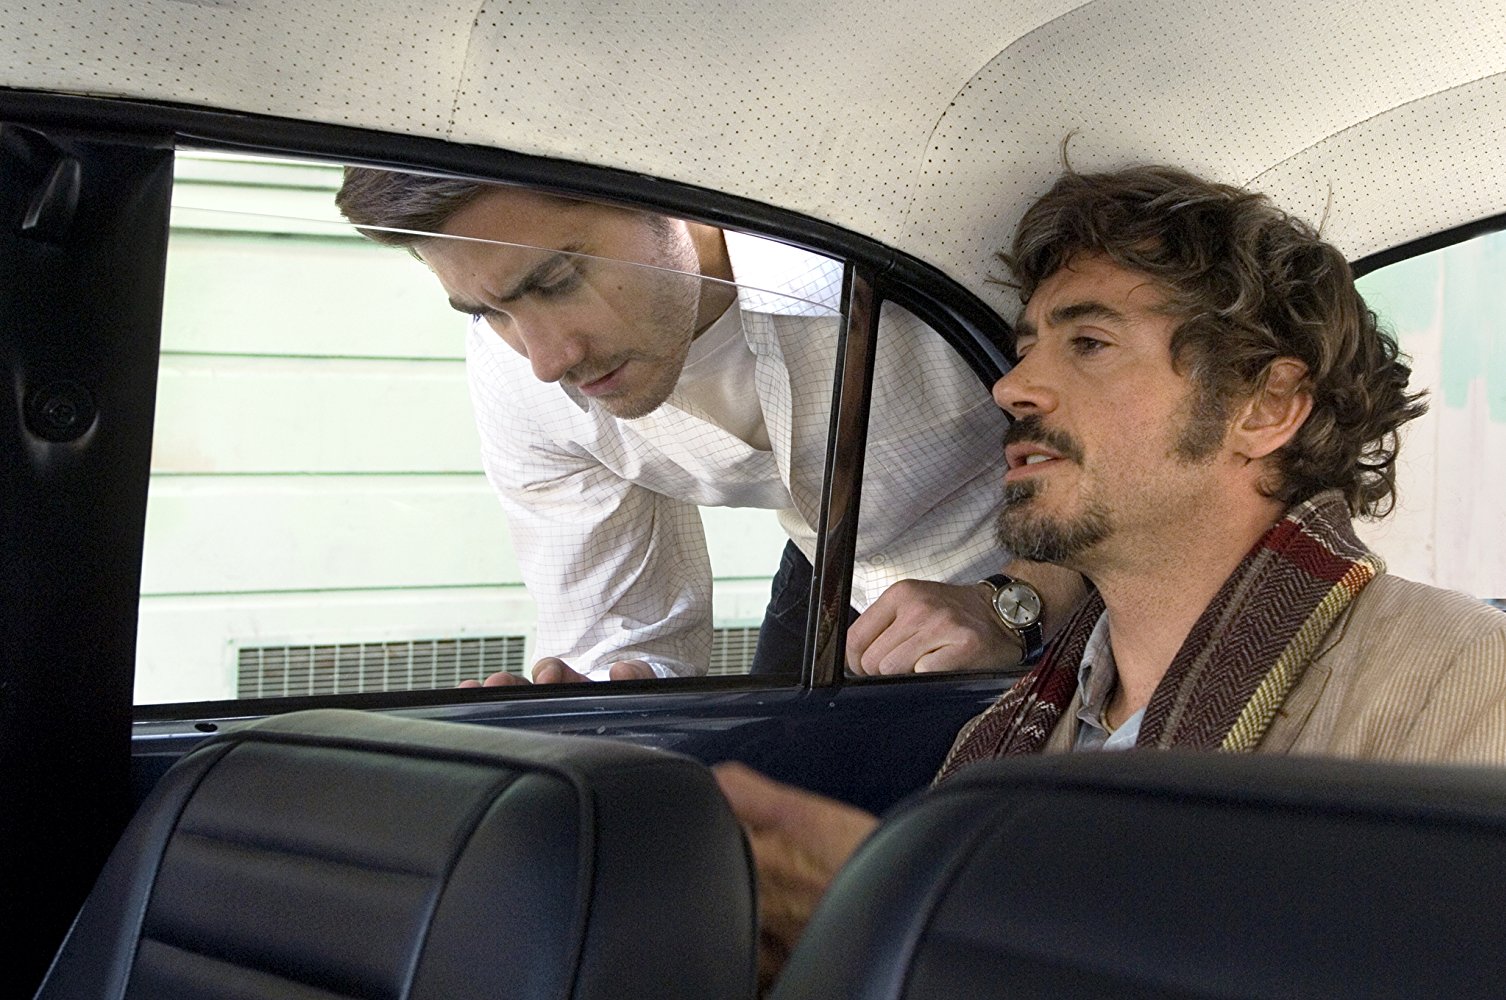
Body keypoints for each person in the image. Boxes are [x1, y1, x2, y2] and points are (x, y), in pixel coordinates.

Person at [715, 164, 1506, 986]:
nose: (1013, 388)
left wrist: (902, 921)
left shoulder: (1465, 681)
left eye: (1089, 344)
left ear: (1266, 407)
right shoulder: (1020, 728)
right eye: (1025, 349)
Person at [336, 169, 1079, 682]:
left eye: (558, 280)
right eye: (486, 311)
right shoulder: (516, 376)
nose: (546, 359)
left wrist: (1019, 602)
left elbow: (1141, 457)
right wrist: (608, 706)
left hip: (1075, 556)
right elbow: (624, 633)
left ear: (671, 190)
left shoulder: (919, 247)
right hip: (840, 574)